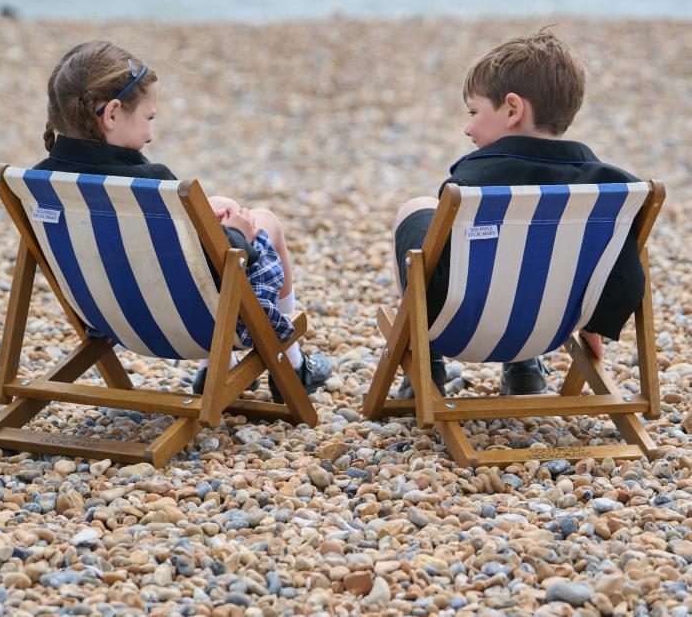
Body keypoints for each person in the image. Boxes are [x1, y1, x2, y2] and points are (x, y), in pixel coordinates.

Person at [34, 40, 332, 401]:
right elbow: (214, 265)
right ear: (111, 114)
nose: (151, 134)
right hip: (192, 328)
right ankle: (290, 364)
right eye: (149, 118)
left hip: (112, 321)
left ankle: (216, 369)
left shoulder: (39, 185)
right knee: (264, 220)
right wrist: (237, 235)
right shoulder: (150, 187)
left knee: (217, 204)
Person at [393, 29, 644, 397]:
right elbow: (623, 275)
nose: (467, 127)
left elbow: (439, 275)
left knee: (415, 210)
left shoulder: (470, 187)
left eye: (474, 111)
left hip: (458, 333)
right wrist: (594, 327)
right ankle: (524, 365)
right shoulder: (613, 192)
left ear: (512, 109)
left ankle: (424, 361)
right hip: (548, 333)